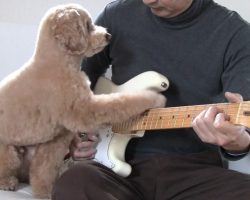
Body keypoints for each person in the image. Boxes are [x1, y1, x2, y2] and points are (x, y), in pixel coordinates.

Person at [52, 0, 250, 199]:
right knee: (74, 181)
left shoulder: (237, 34)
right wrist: (70, 131)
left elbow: (242, 125)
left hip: (196, 173)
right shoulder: (116, 15)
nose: (148, 1)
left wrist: (238, 143)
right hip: (116, 173)